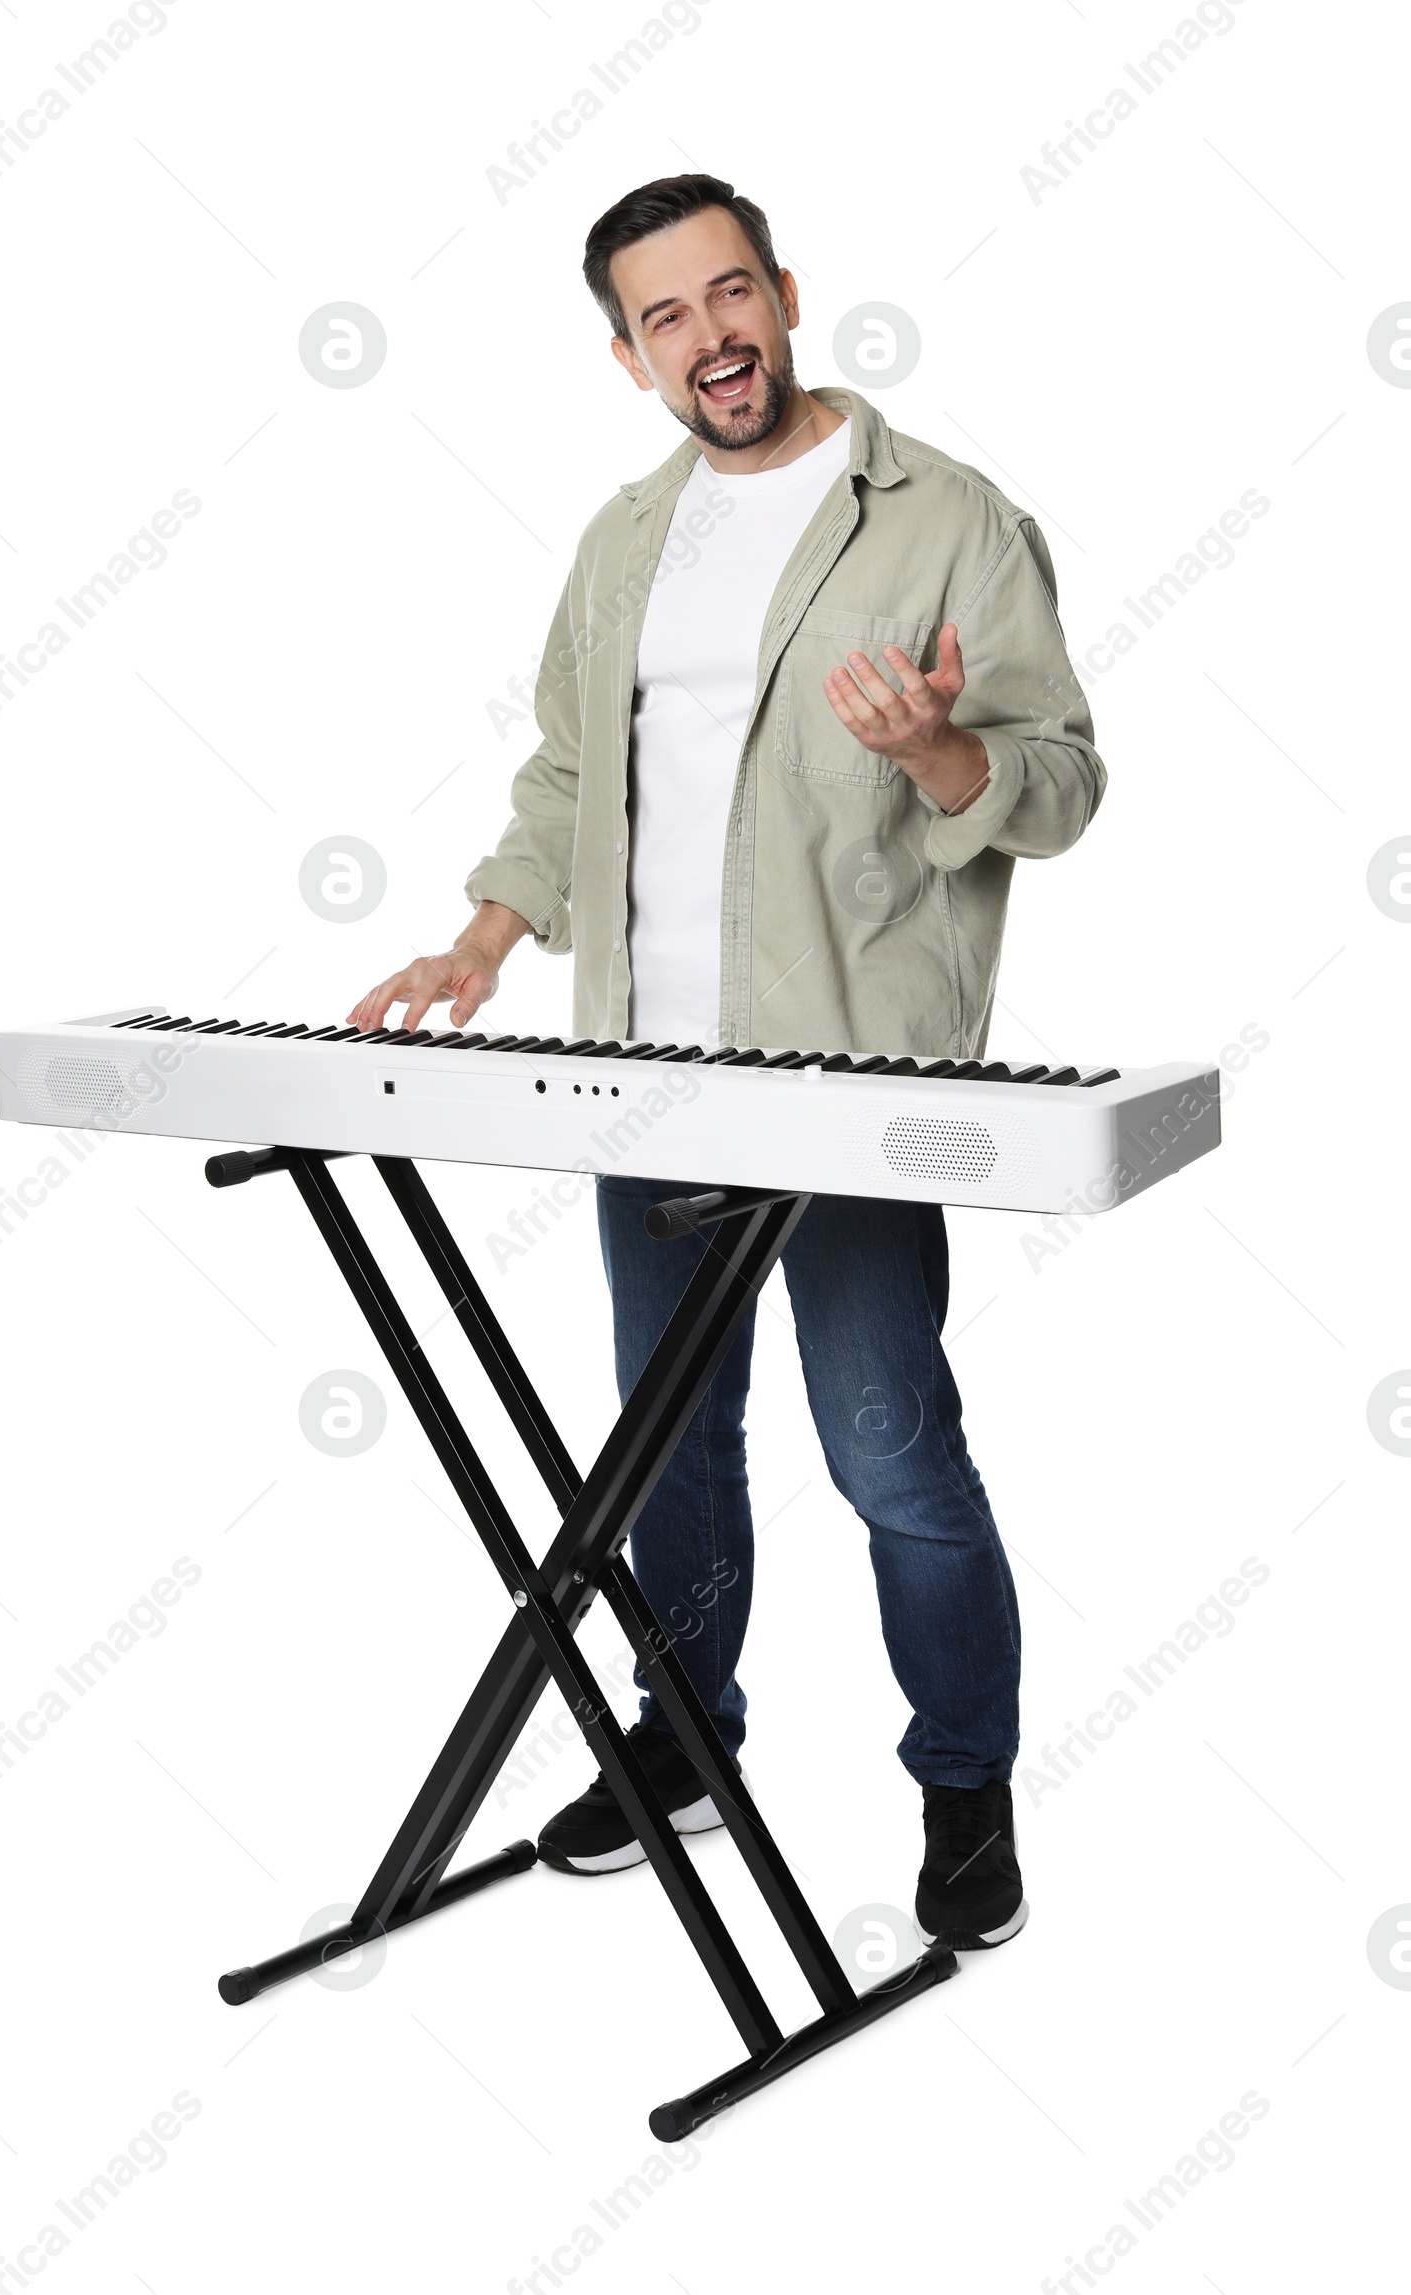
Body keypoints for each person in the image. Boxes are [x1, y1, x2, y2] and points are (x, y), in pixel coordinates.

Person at [349, 173, 1105, 1950]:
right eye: (667, 318)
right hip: (642, 1080)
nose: (715, 337)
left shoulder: (946, 520)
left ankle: (965, 1793)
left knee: (890, 1452)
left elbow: (1060, 782)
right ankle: (686, 1749)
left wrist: (937, 757)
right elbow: (564, 780)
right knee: (667, 1449)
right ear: (629, 358)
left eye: (732, 292)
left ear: (785, 289)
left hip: (844, 1084)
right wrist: (481, 937)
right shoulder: (625, 540)